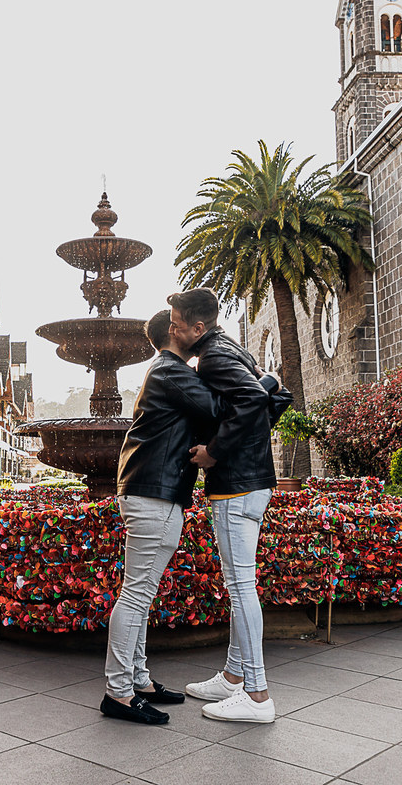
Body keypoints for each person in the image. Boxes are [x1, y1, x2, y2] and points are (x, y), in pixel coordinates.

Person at [168, 288, 279, 723]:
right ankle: (234, 677)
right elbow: (272, 391)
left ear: (198, 327)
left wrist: (214, 451)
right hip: (254, 480)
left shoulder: (214, 357)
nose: (173, 328)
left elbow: (253, 399)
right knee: (242, 585)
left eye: (177, 323)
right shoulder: (231, 346)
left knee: (240, 587)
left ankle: (256, 696)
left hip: (236, 484)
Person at [102, 309, 215, 724]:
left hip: (147, 489)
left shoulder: (164, 371)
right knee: (136, 594)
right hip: (156, 493)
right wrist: (261, 384)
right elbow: (219, 406)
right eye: (190, 324)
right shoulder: (170, 370)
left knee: (140, 592)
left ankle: (138, 680)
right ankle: (118, 692)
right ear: (174, 331)